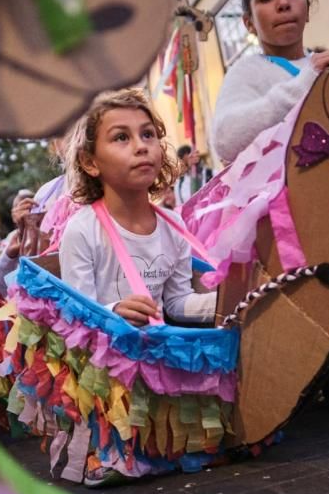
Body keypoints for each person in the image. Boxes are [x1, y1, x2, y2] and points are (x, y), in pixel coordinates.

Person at [60, 88, 216, 328]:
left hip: (158, 358)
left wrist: (229, 302)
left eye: (147, 134)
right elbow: (77, 317)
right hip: (106, 363)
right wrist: (114, 312)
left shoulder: (174, 226)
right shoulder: (82, 231)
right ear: (90, 162)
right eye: (121, 137)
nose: (141, 146)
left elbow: (177, 302)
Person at [210, 0, 329, 165]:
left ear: (308, 8)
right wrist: (302, 85)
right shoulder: (248, 71)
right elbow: (225, 140)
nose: (284, 3)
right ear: (249, 22)